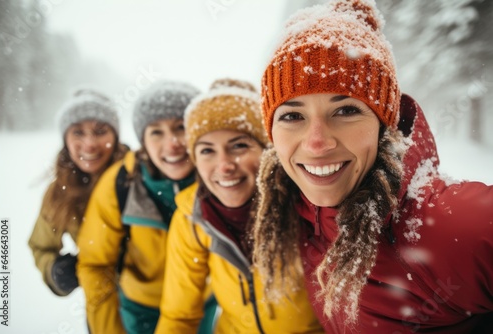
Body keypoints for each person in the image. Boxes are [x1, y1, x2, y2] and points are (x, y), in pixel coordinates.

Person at [252, 0, 493, 333]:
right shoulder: (289, 210)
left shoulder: (445, 227)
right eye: (293, 116)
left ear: (384, 125)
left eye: (346, 111)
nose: (317, 142)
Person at [155, 78, 323, 334]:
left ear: (267, 150)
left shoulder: (307, 203)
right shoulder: (192, 217)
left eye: (239, 146)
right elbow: (179, 317)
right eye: (207, 151)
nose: (224, 166)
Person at [77, 80, 216, 334]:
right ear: (143, 139)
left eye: (180, 127)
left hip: (200, 309)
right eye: (156, 132)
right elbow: (95, 265)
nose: (172, 142)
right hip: (139, 311)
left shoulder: (221, 180)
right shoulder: (119, 183)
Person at [28, 89, 128, 297]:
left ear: (115, 136)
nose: (89, 144)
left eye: (100, 131)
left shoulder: (141, 176)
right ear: (66, 139)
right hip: (101, 306)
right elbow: (41, 245)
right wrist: (54, 270)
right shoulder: (59, 193)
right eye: (78, 132)